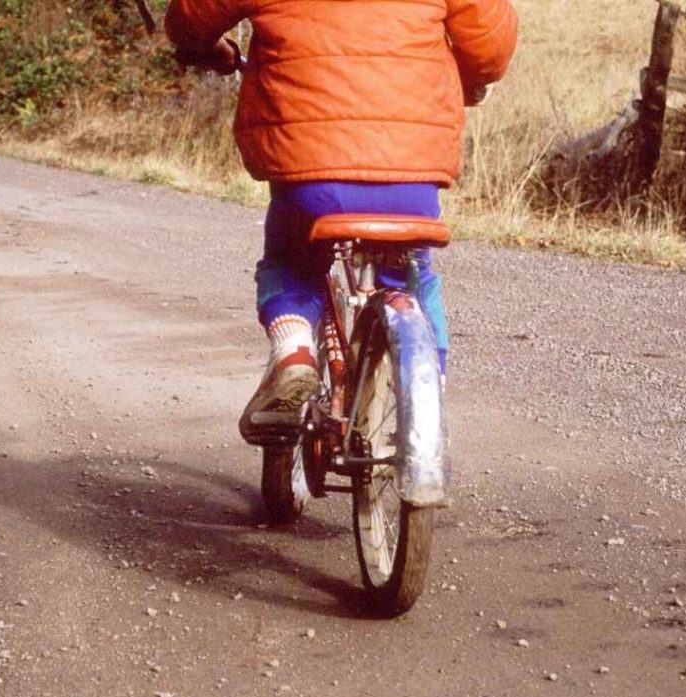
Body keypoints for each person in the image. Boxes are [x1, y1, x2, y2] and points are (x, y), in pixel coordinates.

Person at [164, 0, 519, 444]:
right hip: (411, 174)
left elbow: (189, 19)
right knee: (412, 275)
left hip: (309, 174)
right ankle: (426, 400)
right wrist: (471, 79)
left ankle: (293, 351)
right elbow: (491, 47)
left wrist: (208, 48)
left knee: (291, 261)